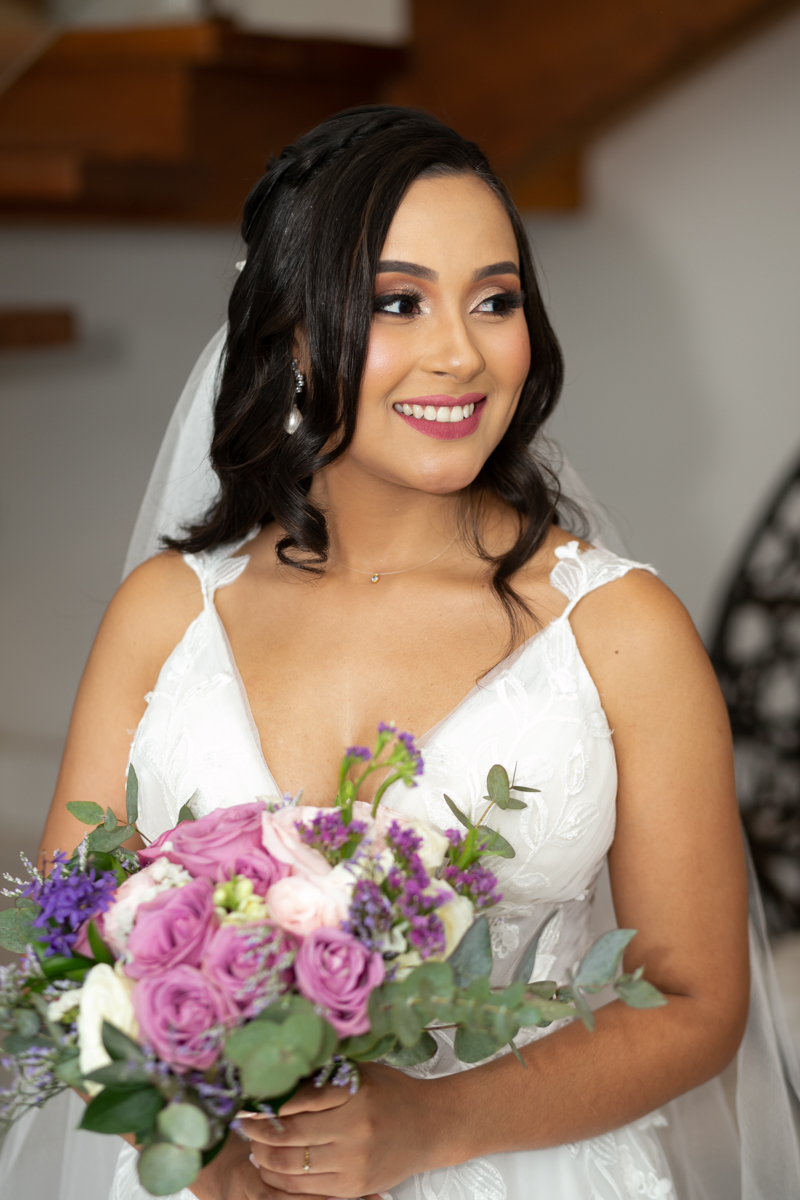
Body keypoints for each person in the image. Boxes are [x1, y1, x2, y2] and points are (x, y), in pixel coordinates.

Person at [18, 106, 800, 1200]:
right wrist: (214, 1160)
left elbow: (696, 1001)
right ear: (291, 334)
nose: (459, 353)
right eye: (398, 301)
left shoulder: (620, 629)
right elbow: (64, 955)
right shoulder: (165, 613)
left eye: (495, 300)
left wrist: (431, 1122)